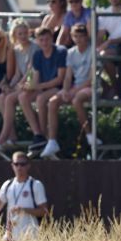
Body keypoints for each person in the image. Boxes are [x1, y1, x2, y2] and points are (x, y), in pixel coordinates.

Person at [40, 24, 101, 158]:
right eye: (75, 36)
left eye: (81, 36)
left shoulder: (93, 52)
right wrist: (66, 90)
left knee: (77, 100)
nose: (78, 39)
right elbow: (68, 76)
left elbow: (91, 79)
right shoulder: (70, 53)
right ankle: (52, 141)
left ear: (86, 37)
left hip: (92, 87)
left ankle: (89, 135)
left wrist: (73, 91)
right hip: (75, 87)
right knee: (52, 102)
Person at [19, 27, 67, 156]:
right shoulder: (38, 55)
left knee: (40, 99)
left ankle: (45, 137)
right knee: (23, 97)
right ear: (38, 41)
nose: (45, 43)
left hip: (59, 87)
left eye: (47, 39)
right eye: (41, 40)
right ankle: (38, 133)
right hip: (44, 87)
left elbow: (59, 79)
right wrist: (29, 85)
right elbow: (35, 76)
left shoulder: (61, 52)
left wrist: (37, 86)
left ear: (52, 39)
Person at [0, 19, 37, 150]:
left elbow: (31, 71)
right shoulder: (16, 50)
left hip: (33, 82)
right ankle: (11, 136)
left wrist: (17, 87)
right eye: (20, 34)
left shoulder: (34, 47)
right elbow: (17, 73)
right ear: (15, 35)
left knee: (10, 98)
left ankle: (3, 137)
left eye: (25, 33)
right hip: (22, 82)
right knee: (2, 96)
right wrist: (9, 86)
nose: (23, 36)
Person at [0, 151, 49, 241]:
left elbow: (44, 211)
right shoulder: (7, 184)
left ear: (28, 166)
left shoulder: (35, 184)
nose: (19, 167)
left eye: (22, 164)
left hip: (31, 236)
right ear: (12, 165)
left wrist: (24, 210)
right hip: (10, 235)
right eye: (16, 164)